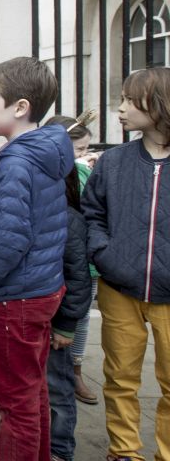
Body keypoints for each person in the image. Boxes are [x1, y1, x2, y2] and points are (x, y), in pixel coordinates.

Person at [0, 57, 74, 461]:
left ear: (20, 107)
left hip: (20, 296)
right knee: (33, 389)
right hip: (41, 288)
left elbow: (9, 242)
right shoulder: (46, 150)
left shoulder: (17, 162)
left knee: (16, 400)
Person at [82, 67, 170, 461]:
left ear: (158, 105)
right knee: (119, 378)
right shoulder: (114, 162)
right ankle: (124, 451)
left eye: (129, 101)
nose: (119, 109)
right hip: (119, 288)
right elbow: (92, 214)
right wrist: (105, 254)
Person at [45, 114, 99, 406]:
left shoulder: (83, 174)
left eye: (85, 149)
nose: (84, 155)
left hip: (81, 261)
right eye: (78, 150)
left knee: (78, 319)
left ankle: (76, 369)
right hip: (64, 263)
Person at [43, 150, 93, 461]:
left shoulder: (71, 220)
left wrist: (65, 325)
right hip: (33, 317)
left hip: (56, 320)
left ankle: (59, 447)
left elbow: (78, 280)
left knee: (58, 388)